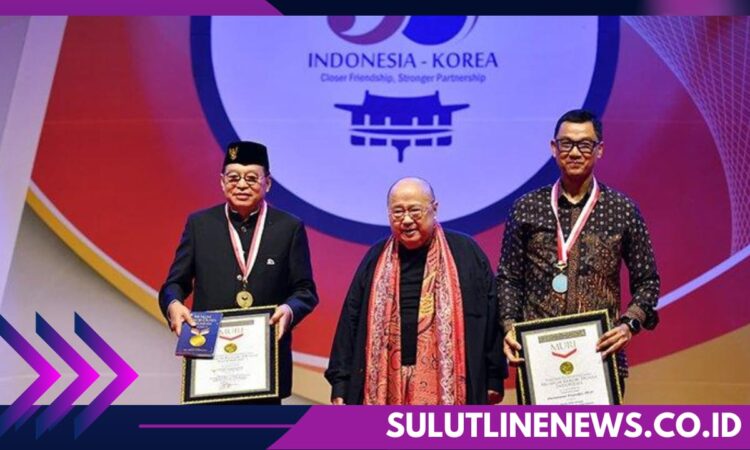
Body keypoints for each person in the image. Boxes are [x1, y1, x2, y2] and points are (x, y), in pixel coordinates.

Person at [497, 109, 660, 400]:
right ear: (554, 148)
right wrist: (509, 327)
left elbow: (647, 281)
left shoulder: (622, 210)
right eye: (566, 144)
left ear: (600, 150)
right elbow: (509, 278)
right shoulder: (526, 208)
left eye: (585, 145)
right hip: (539, 358)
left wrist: (629, 325)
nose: (574, 152)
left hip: (600, 356)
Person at [159, 140, 318, 404]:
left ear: (268, 183)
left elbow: (305, 291)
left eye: (252, 178)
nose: (242, 185)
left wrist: (289, 310)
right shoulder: (200, 225)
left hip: (264, 364)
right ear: (222, 182)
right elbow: (174, 283)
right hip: (209, 362)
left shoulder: (289, 227)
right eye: (233, 178)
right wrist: (173, 305)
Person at [326, 177, 506, 405]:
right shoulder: (375, 258)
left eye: (415, 211)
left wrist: (494, 377)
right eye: (398, 212)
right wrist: (340, 384)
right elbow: (350, 322)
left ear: (434, 208)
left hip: (451, 382)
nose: (407, 220)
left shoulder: (466, 253)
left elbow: (491, 317)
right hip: (386, 383)